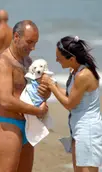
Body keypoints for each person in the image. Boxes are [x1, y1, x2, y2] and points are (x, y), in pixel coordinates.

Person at [0, 20, 50, 172]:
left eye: (35, 43)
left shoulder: (28, 62)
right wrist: (37, 111)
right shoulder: (2, 62)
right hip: (7, 125)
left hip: (27, 125)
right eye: (29, 42)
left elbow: (34, 93)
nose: (32, 47)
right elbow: (5, 100)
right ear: (16, 36)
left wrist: (45, 94)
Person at [42, 36, 102, 172]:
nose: (56, 60)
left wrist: (52, 87)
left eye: (59, 57)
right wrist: (54, 85)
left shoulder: (83, 75)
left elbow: (69, 104)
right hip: (78, 129)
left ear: (72, 59)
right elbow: (72, 94)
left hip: (88, 130)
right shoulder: (76, 71)